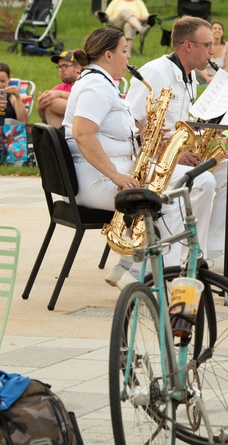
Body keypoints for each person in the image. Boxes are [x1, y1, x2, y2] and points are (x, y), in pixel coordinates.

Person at [125, 16, 228, 277]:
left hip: (180, 159)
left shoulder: (191, 77)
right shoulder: (155, 72)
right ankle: (185, 259)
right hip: (152, 163)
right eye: (207, 45)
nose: (212, 51)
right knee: (204, 182)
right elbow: (132, 123)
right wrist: (171, 153)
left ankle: (215, 254)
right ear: (187, 46)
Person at [62, 27, 185, 288]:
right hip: (93, 181)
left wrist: (144, 137)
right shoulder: (95, 85)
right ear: (108, 55)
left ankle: (131, 267)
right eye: (124, 51)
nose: (127, 57)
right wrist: (116, 175)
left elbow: (107, 132)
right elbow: (83, 134)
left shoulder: (102, 83)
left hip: (101, 173)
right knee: (171, 201)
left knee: (184, 187)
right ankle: (159, 278)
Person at [36, 50, 82, 128]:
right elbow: (45, 119)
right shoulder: (59, 88)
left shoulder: (85, 82)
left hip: (84, 124)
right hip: (65, 129)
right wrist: (40, 107)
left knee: (53, 102)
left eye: (65, 66)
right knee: (49, 102)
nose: (61, 69)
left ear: (77, 68)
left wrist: (61, 94)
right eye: (59, 66)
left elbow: (85, 102)